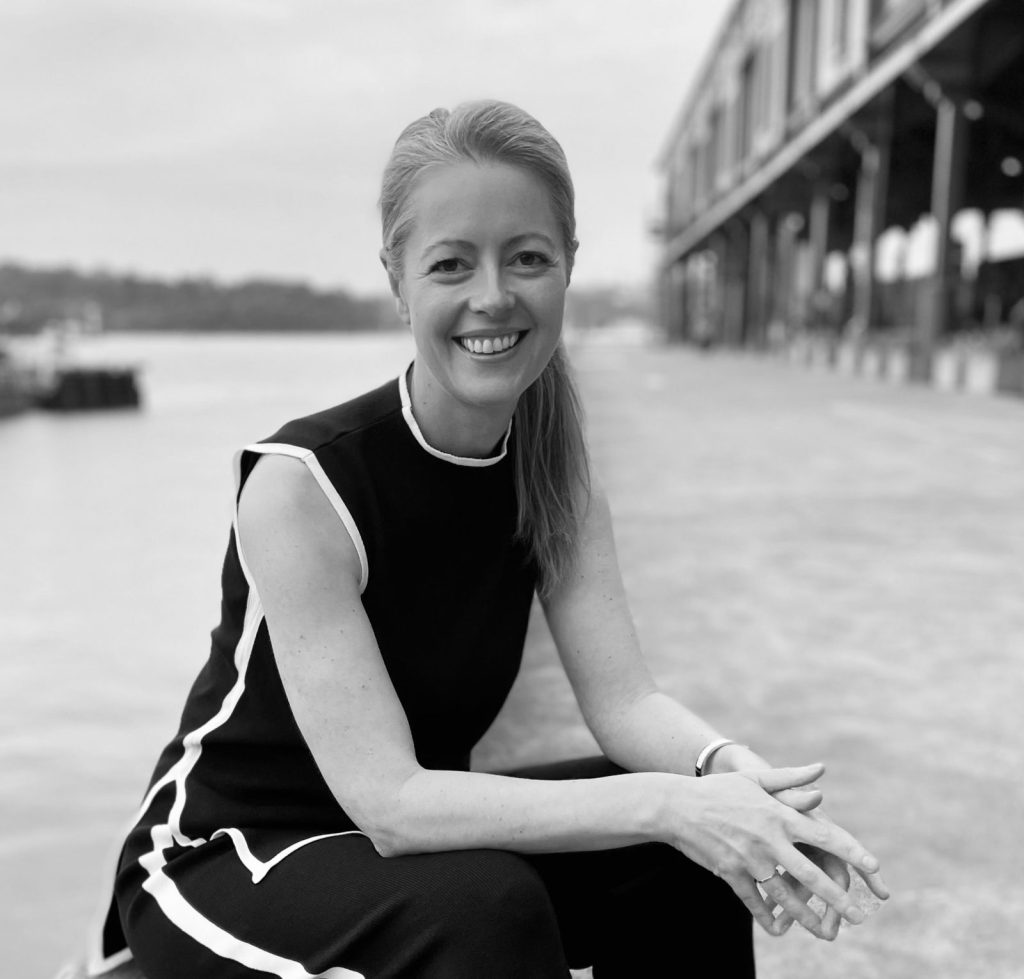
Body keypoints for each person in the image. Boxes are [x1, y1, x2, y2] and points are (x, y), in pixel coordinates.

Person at [84, 100, 888, 979]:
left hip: (400, 844)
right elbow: (390, 800)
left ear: (569, 265)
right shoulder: (304, 486)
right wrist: (669, 803)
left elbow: (626, 704)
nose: (493, 295)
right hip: (229, 855)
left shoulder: (558, 479)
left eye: (528, 258)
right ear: (398, 280)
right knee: (489, 908)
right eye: (451, 263)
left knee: (684, 857)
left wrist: (739, 784)